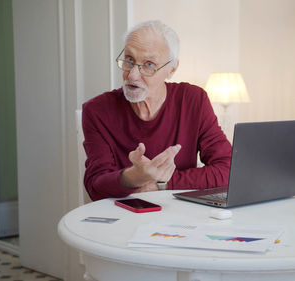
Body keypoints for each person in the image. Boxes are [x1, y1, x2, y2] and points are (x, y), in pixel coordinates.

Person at [82, 20, 232, 201]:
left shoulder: (193, 100)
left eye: (149, 64)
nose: (132, 75)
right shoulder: (96, 110)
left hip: (181, 213)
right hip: (123, 215)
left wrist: (161, 182)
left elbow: (228, 169)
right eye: (129, 60)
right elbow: (95, 186)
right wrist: (133, 177)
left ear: (172, 69)